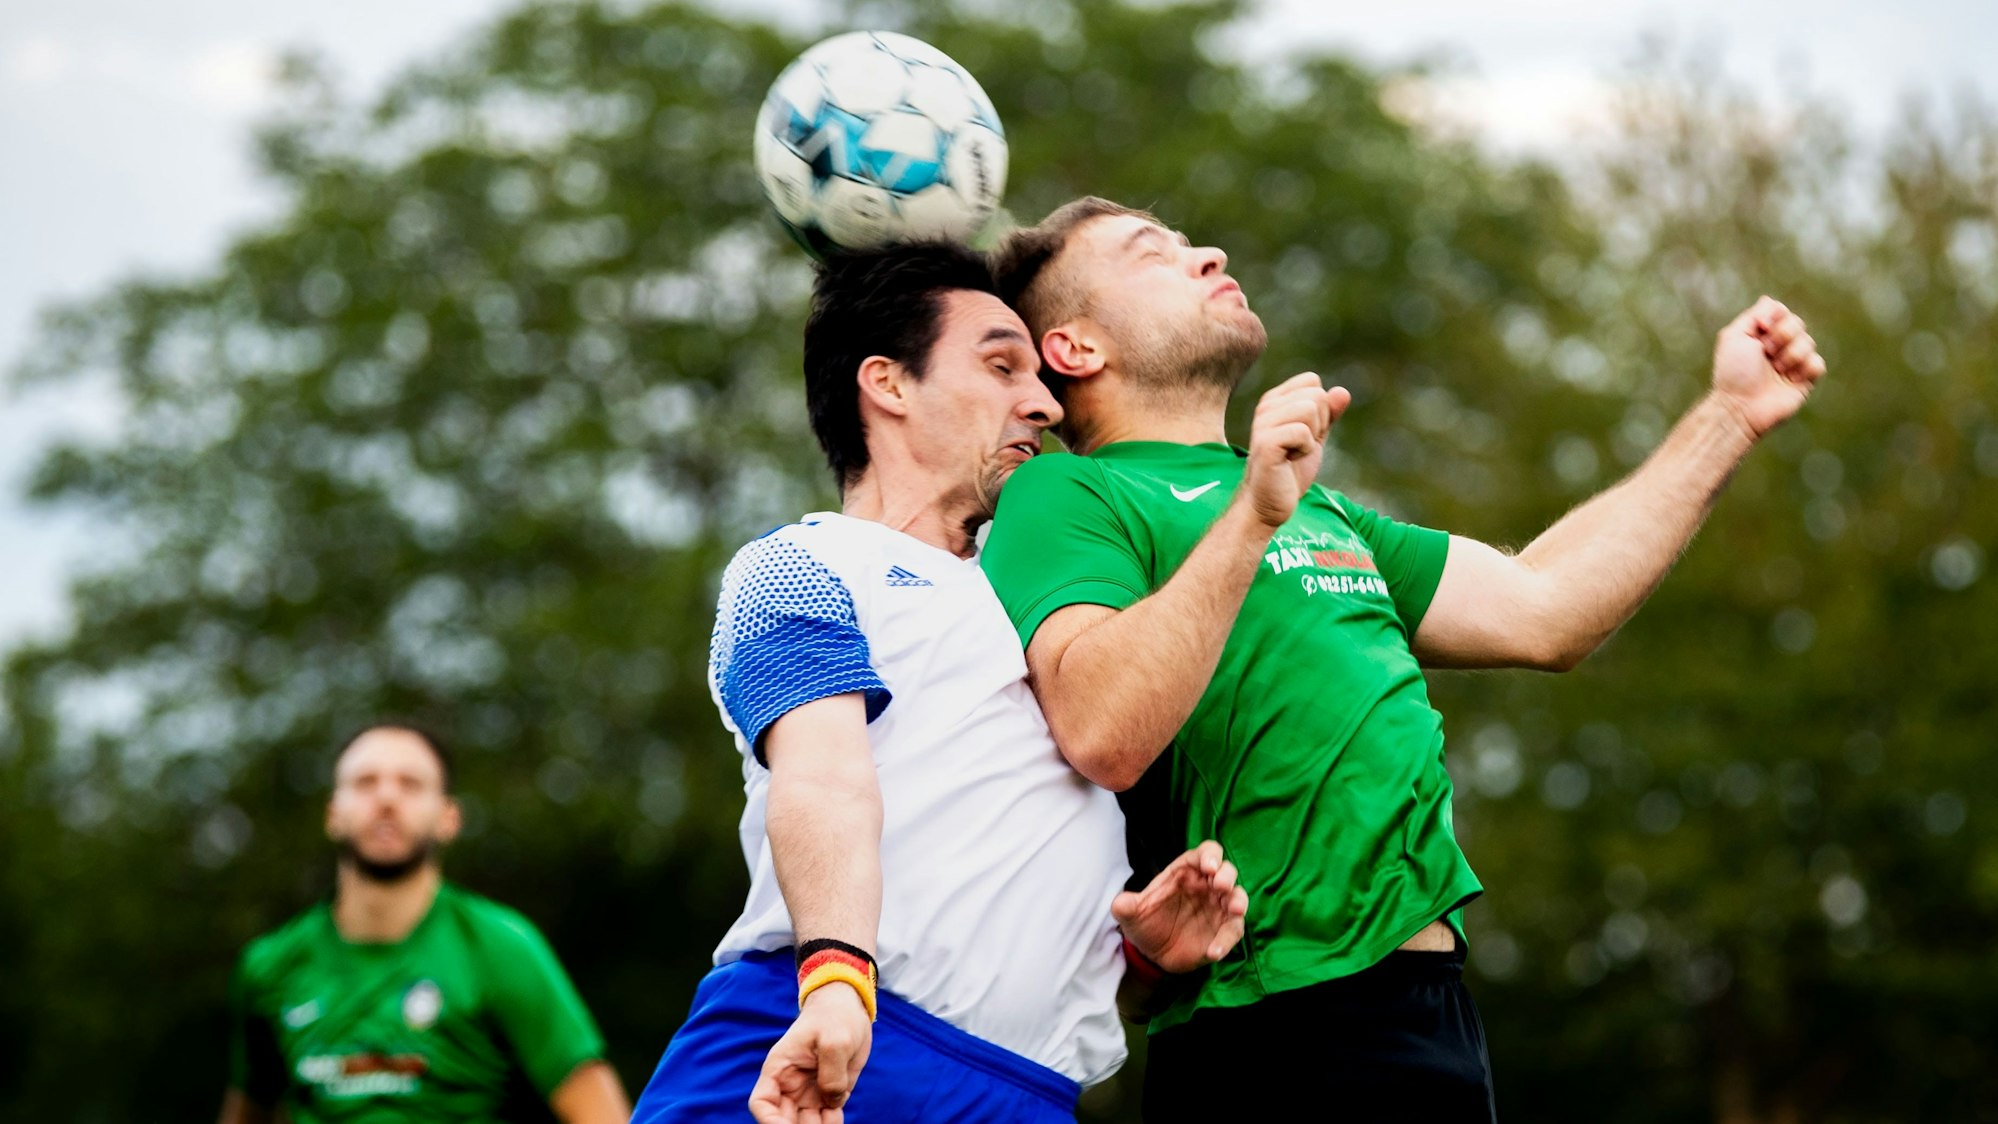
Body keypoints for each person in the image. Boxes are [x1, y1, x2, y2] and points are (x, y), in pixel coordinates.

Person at [981, 197, 1828, 1121]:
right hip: (1273, 1027)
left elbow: (1545, 608)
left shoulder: (1315, 505)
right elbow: (1101, 729)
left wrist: (1730, 416)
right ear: (1075, 350)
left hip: (1429, 1014)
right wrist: (1255, 517)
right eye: (1155, 253)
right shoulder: (1065, 492)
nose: (1208, 252)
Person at [630, 244, 1249, 1124]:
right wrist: (838, 979)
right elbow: (823, 779)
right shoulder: (804, 564)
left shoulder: (1057, 594)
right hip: (826, 1035)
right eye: (1000, 365)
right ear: (887, 383)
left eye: (1039, 375)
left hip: (1026, 1094)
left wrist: (1141, 956)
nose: (1041, 402)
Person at [218, 724, 631, 1124]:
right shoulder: (269, 966)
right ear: (333, 813)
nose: (386, 798)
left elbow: (601, 1114)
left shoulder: (502, 947)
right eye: (365, 782)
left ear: (448, 817)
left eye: (411, 784)